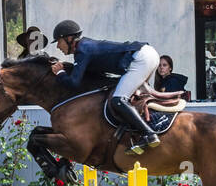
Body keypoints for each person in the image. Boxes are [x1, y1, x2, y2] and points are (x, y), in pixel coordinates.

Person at [51, 19, 161, 152]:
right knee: (126, 97)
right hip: (145, 54)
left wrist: (60, 73)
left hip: (141, 58)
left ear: (69, 39)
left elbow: (74, 83)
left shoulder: (83, 50)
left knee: (118, 100)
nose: (58, 46)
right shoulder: (84, 47)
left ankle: (149, 134)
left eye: (58, 41)